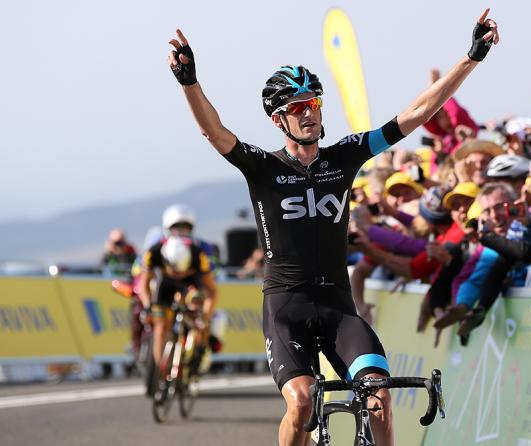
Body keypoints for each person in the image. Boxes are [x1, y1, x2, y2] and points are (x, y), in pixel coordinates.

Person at [167, 10, 499, 445]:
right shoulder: (262, 167)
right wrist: (190, 83)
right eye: (298, 108)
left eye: (314, 104)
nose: (309, 114)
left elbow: (416, 113)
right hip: (286, 308)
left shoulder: (344, 155)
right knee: (303, 405)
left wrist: (470, 58)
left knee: (379, 394)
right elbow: (215, 133)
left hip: (338, 306)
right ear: (278, 120)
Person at [138, 205, 218, 389]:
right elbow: (143, 284)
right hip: (164, 284)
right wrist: (147, 304)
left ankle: (196, 352)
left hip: (191, 284)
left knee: (197, 309)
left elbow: (212, 291)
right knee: (160, 325)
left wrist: (205, 315)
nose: (181, 230)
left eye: (186, 226)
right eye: (176, 226)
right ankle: (162, 371)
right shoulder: (155, 251)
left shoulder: (200, 253)